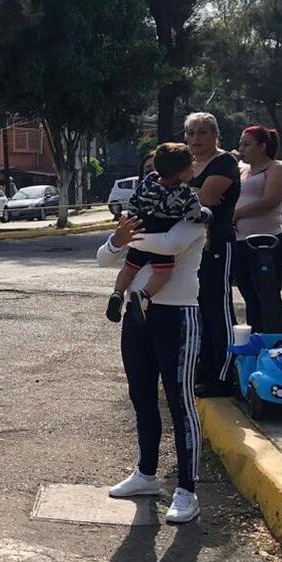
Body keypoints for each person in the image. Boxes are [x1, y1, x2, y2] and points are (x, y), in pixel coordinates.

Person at [98, 212, 205, 524]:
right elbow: (104, 259)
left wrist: (127, 237)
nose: (156, 188)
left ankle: (187, 490)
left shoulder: (192, 215)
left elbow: (170, 244)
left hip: (177, 316)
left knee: (180, 402)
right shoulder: (138, 221)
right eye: (149, 181)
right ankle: (146, 474)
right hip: (137, 316)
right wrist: (118, 239)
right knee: (141, 397)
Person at [106, 143, 212, 325]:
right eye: (191, 165)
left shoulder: (147, 182)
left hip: (141, 229)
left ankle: (117, 293)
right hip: (161, 234)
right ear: (182, 173)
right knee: (163, 273)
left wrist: (132, 217)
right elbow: (194, 215)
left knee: (129, 268)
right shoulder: (186, 194)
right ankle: (144, 294)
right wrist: (206, 214)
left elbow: (133, 201)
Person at [184, 112, 241, 396]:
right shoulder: (189, 164)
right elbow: (188, 196)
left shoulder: (225, 162)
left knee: (218, 307)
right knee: (199, 309)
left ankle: (223, 374)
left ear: (215, 134)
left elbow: (205, 200)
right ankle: (204, 369)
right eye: (191, 133)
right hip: (192, 247)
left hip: (217, 243)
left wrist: (188, 193)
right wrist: (193, 191)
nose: (197, 138)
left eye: (203, 132)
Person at [233, 125, 282, 334]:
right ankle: (256, 339)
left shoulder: (275, 169)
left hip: (266, 243)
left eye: (247, 144)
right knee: (250, 295)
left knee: (268, 295)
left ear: (262, 147)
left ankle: (273, 341)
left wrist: (238, 214)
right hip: (241, 241)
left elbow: (271, 200)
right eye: (241, 144)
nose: (242, 148)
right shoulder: (242, 170)